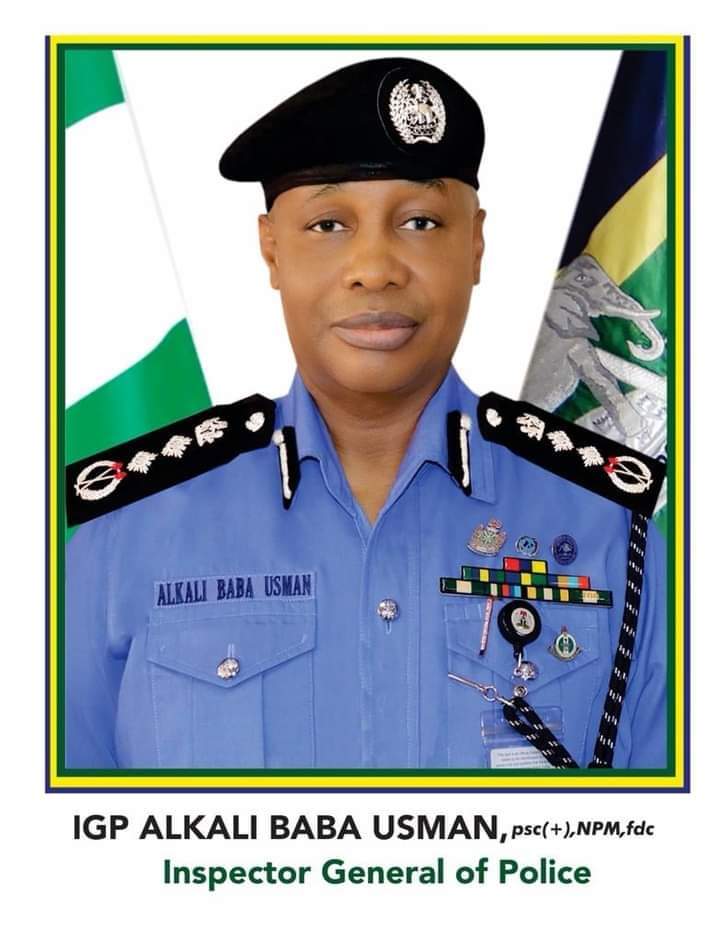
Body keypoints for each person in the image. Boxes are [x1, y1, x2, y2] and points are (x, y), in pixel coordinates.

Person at [65, 56, 667, 771]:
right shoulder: (125, 530)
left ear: (475, 244)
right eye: (328, 224)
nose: (376, 268)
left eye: (420, 221)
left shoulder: (614, 526)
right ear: (270, 248)